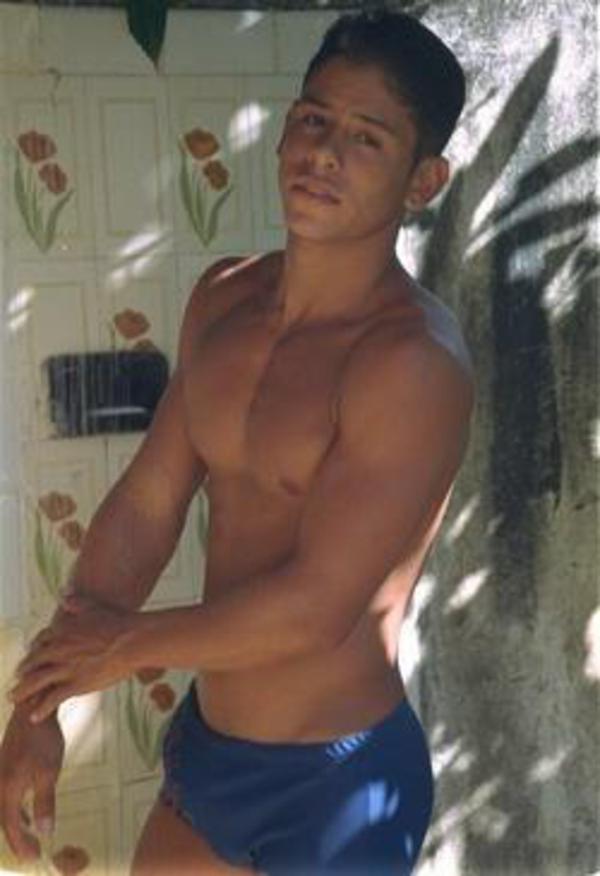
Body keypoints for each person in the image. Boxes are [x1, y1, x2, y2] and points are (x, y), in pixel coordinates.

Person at [0, 10, 473, 875]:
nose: (323, 152)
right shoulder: (223, 299)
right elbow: (147, 503)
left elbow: (319, 607)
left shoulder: (410, 363)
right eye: (314, 118)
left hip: (339, 785)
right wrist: (40, 704)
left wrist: (117, 649)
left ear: (423, 180)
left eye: (366, 138)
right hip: (211, 758)